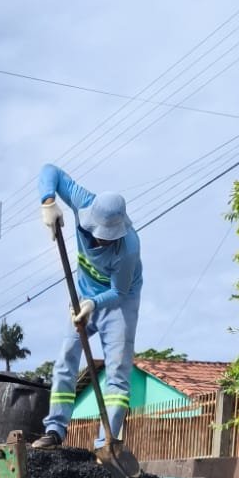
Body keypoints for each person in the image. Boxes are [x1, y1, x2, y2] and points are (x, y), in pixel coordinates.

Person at [32, 163, 143, 451]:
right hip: (81, 298)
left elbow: (118, 291)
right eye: (96, 232)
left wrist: (94, 303)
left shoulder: (128, 247)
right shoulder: (84, 201)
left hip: (119, 304)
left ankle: (106, 443)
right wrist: (48, 201)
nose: (98, 238)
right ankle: (55, 430)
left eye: (106, 235)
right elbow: (50, 170)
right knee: (65, 359)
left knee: (117, 372)